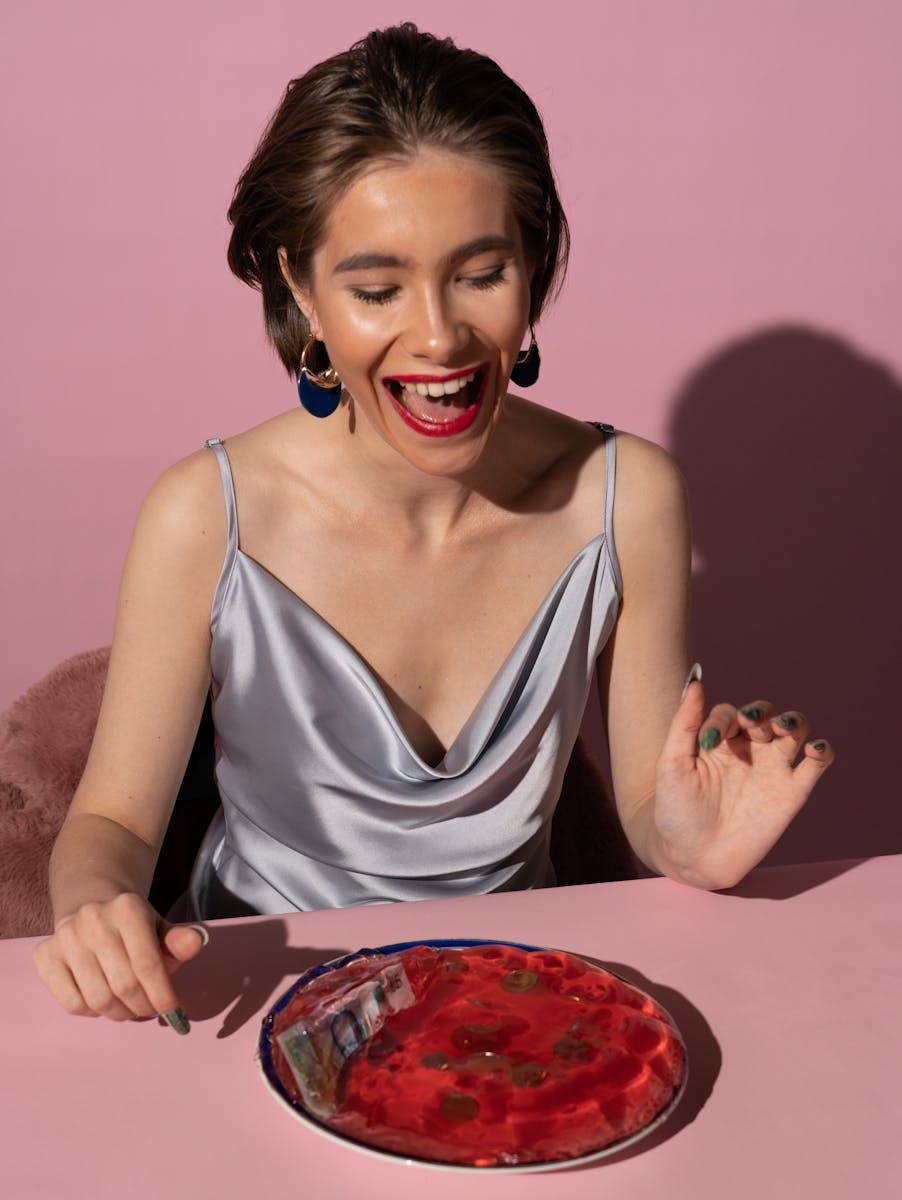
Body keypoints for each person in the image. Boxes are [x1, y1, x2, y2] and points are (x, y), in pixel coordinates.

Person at [33, 24, 832, 1026]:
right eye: (376, 289)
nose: (440, 337)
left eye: (480, 273)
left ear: (532, 266)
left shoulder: (626, 497)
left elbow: (646, 810)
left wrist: (691, 845)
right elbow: (112, 821)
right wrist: (96, 906)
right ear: (300, 289)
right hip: (256, 999)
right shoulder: (204, 513)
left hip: (511, 1008)